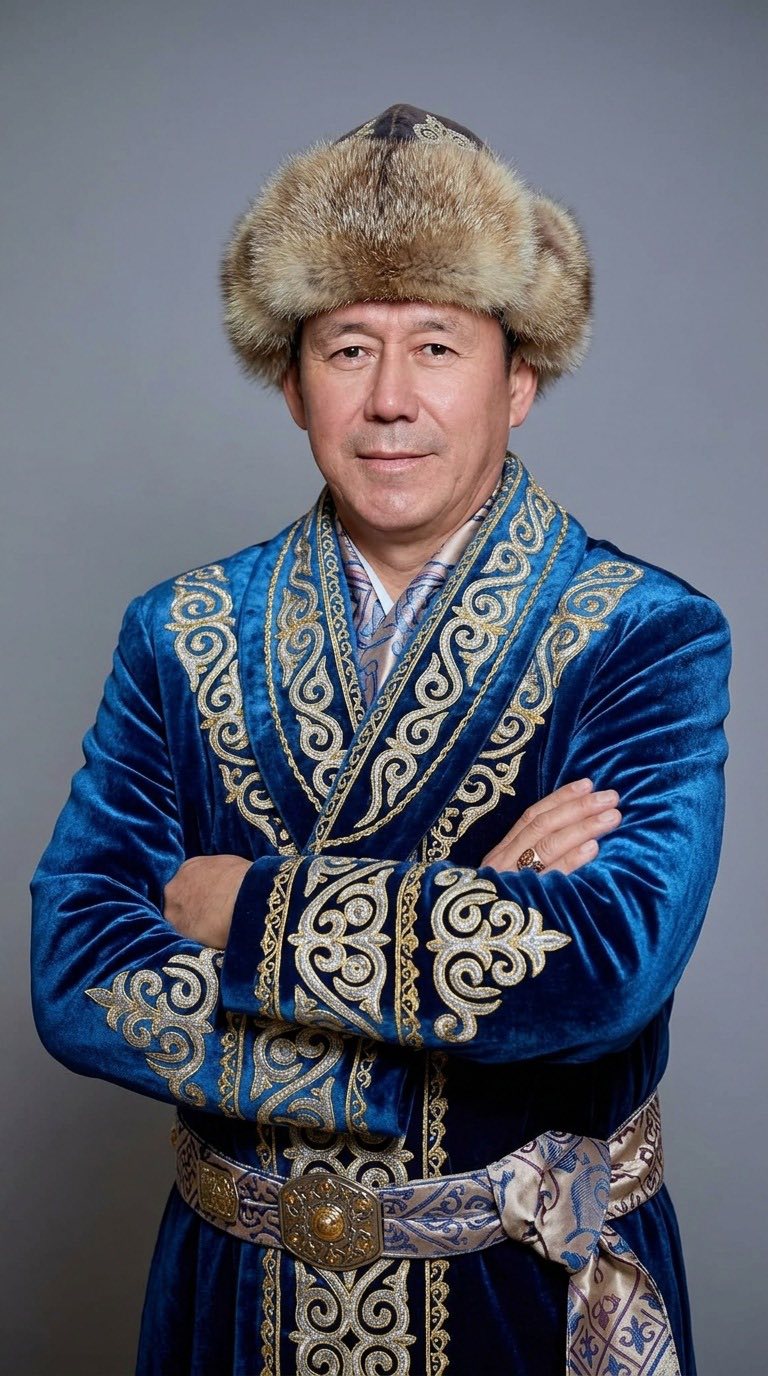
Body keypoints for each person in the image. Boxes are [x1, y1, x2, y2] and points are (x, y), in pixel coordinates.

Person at [31, 104, 730, 1376]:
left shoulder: (641, 633)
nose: (391, 399)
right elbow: (79, 975)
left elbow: (604, 965)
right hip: (236, 1296)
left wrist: (247, 911)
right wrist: (449, 956)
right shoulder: (180, 632)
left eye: (437, 346)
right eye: (349, 348)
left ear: (519, 378)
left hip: (517, 1296)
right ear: (292, 382)